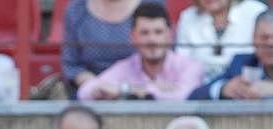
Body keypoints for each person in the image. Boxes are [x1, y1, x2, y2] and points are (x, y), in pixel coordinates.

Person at [77, 2, 205, 100]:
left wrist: (125, 90)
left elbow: (184, 97)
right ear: (133, 37)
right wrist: (131, 89)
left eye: (158, 32)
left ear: (170, 34)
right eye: (144, 33)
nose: (152, 40)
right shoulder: (126, 66)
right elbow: (84, 92)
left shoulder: (189, 66)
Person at [63, 0, 142, 95]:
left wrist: (123, 90)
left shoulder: (151, 4)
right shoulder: (77, 9)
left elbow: (158, 58)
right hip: (92, 93)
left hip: (141, 92)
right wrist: (98, 87)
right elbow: (72, 65)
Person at [176, 0, 267, 80]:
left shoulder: (255, 11)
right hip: (201, 89)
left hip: (247, 87)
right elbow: (182, 62)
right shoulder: (188, 17)